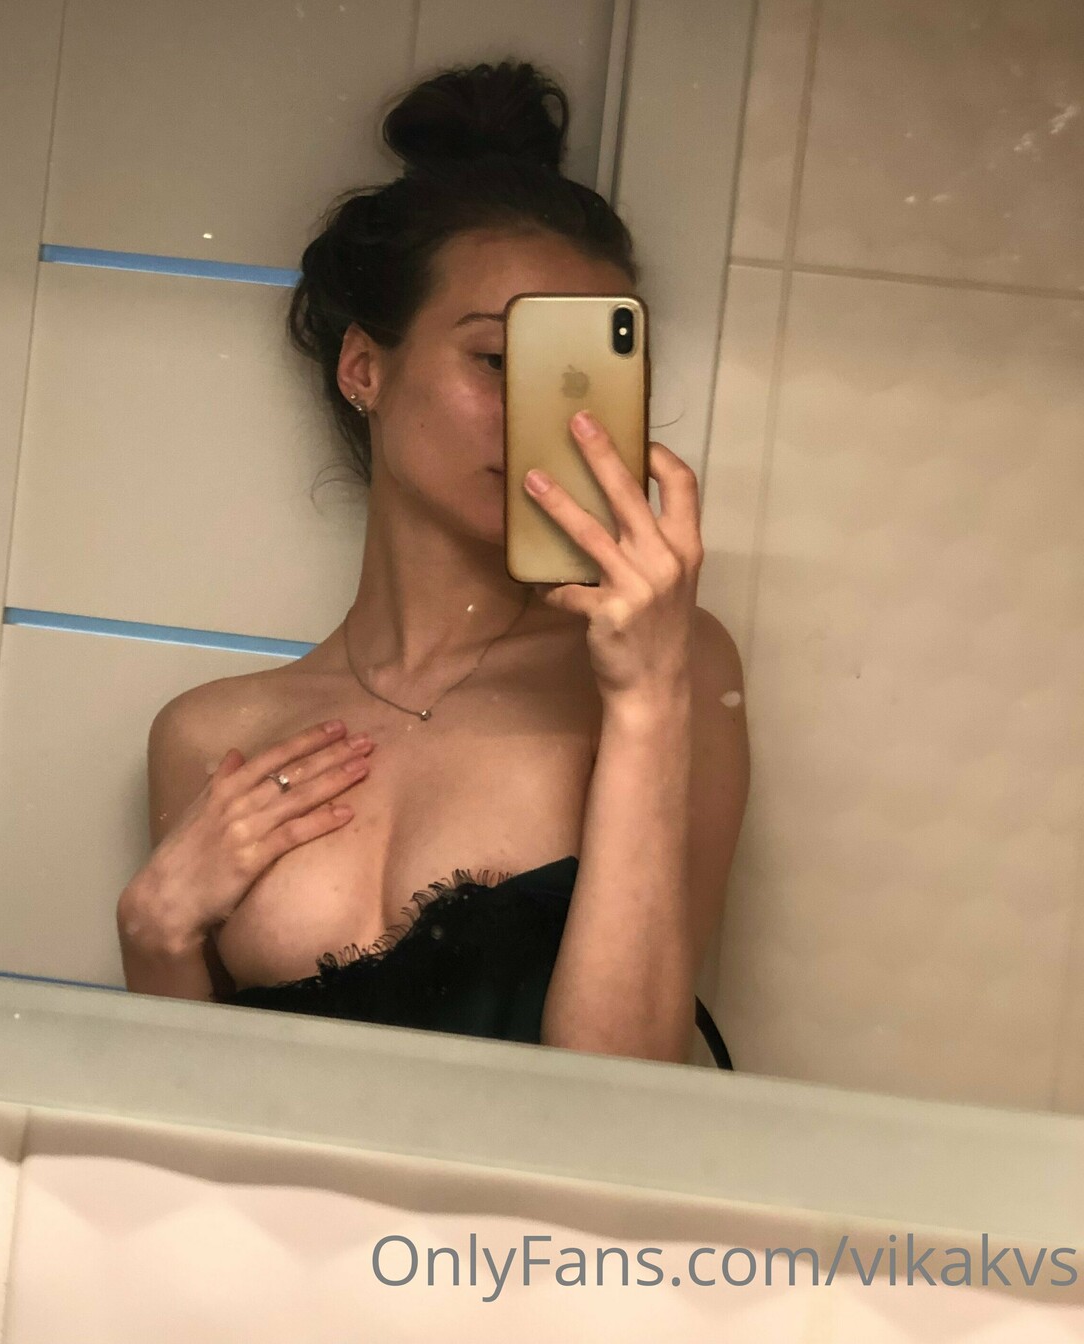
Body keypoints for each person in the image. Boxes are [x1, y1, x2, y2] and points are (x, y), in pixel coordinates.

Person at [116, 59, 750, 1065]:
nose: (554, 418)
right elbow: (184, 1105)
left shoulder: (666, 665)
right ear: (365, 366)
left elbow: (623, 1097)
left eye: (588, 380)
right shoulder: (210, 735)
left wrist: (647, 699)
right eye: (499, 362)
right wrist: (154, 942)